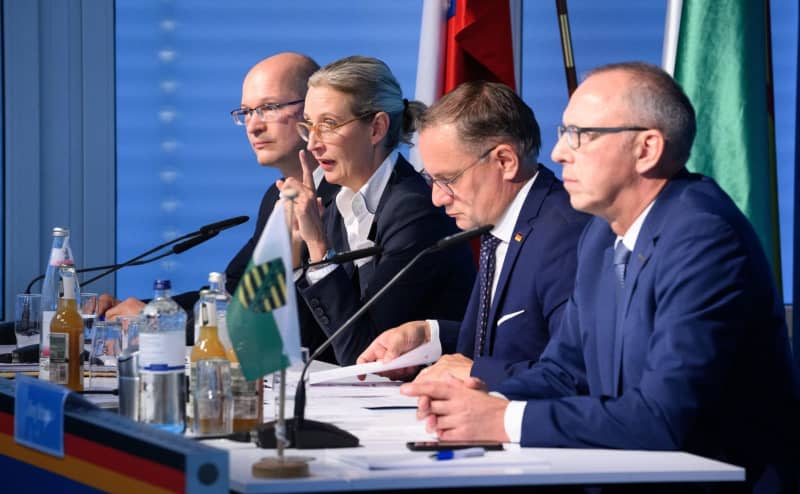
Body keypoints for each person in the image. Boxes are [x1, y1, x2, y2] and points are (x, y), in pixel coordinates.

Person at [400, 62, 799, 492]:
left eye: (581, 136)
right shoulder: (599, 235)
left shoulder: (703, 236)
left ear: (646, 149)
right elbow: (565, 374)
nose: (558, 154)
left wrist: (503, 419)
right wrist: (481, 401)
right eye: (562, 133)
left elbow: (663, 418)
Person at [100, 52, 338, 358]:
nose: (253, 126)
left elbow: (292, 323)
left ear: (312, 110)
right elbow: (233, 293)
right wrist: (146, 309)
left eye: (268, 108)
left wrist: (156, 322)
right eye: (246, 112)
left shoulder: (339, 199)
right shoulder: (276, 197)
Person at [355, 81, 589, 388]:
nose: (438, 198)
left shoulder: (565, 237)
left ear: (504, 161)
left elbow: (577, 375)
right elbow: (512, 343)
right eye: (431, 180)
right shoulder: (501, 224)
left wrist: (480, 372)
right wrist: (430, 335)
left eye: (447, 179)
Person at [278, 55, 475, 365]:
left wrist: (317, 248)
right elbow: (309, 345)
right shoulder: (330, 201)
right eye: (309, 126)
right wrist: (292, 244)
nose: (313, 144)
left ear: (377, 128)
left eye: (328, 125)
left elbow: (363, 356)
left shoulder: (414, 210)